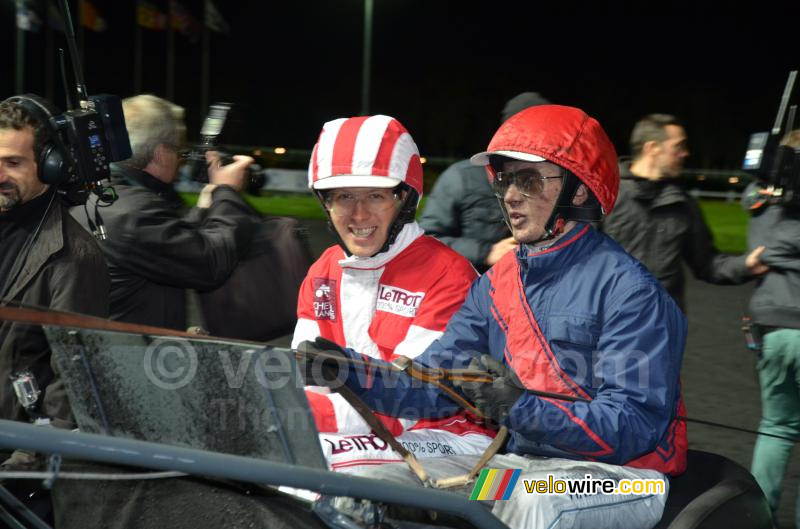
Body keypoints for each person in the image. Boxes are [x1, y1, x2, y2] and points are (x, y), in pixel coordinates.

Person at [300, 105, 688, 529]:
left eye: (529, 180)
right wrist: (350, 372)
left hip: (628, 478)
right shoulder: (497, 283)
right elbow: (434, 384)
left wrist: (521, 408)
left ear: (577, 191)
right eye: (505, 180)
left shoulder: (630, 291)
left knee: (531, 503)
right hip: (522, 468)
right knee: (370, 486)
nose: (510, 195)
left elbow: (633, 426)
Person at [292, 114, 493, 472]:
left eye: (374, 195)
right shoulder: (322, 270)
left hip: (450, 435)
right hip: (369, 427)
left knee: (311, 457)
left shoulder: (449, 275)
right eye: (343, 197)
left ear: (405, 198)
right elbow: (303, 380)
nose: (358, 214)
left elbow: (407, 405)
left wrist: (286, 415)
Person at [0, 94, 109, 519]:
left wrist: (20, 474)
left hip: (12, 473)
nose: (0, 175)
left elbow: (74, 385)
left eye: (13, 163)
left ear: (49, 165)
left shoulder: (75, 258)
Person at [70, 94, 256, 330]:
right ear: (160, 153)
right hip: (131, 357)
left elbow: (166, 243)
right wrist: (228, 192)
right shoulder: (133, 213)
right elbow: (211, 262)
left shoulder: (103, 195)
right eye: (179, 151)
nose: (181, 161)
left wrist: (203, 209)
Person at [602, 113, 767, 312]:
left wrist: (746, 265)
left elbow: (708, 264)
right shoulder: (604, 195)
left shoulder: (683, 204)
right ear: (652, 148)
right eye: (678, 146)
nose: (685, 153)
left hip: (661, 325)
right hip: (607, 323)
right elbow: (572, 259)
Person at [419, 91, 550, 273]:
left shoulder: (556, 180)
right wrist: (487, 252)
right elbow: (428, 239)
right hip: (474, 287)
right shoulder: (462, 177)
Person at [745, 130, 800, 527]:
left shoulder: (759, 199)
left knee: (776, 426)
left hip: (768, 326)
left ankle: (759, 518)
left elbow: (764, 252)